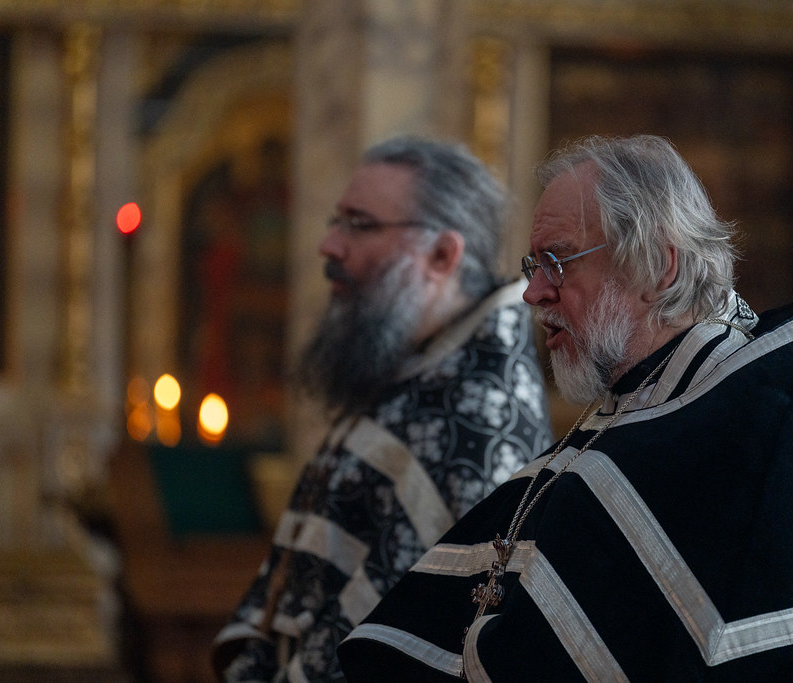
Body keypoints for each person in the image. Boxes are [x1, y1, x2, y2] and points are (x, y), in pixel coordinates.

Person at [338, 134, 793, 681]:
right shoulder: (641, 398)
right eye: (534, 264)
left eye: (557, 261)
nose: (533, 292)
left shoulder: (730, 427)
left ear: (657, 267)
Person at [213, 136, 553, 681]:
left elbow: (417, 647)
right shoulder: (419, 368)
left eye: (359, 225)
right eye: (337, 221)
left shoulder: (479, 422)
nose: (329, 245)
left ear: (442, 256)